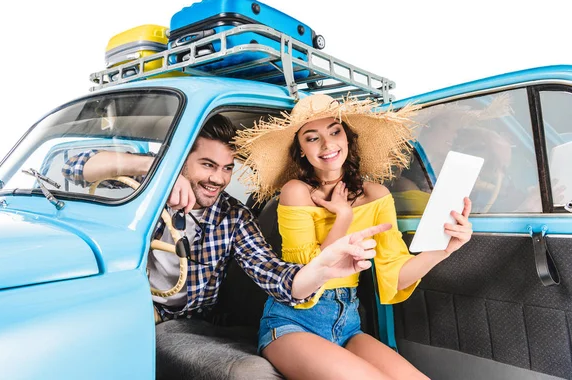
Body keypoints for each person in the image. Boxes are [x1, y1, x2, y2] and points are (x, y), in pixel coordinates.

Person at [61, 114, 386, 347]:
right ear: (181, 160)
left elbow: (271, 272)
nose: (218, 179)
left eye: (227, 168)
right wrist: (159, 171)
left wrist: (321, 267)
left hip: (198, 322)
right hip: (135, 310)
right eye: (207, 165)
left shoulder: (233, 216)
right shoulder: (144, 190)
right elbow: (68, 166)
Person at [234, 95, 474, 380]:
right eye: (312, 138)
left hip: (348, 324)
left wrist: (444, 250)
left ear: (348, 138)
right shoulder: (295, 191)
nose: (327, 145)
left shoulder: (377, 196)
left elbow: (395, 276)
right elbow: (309, 274)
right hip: (294, 321)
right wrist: (343, 218)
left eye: (335, 132)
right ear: (301, 150)